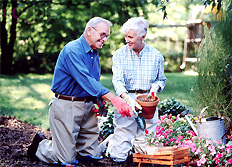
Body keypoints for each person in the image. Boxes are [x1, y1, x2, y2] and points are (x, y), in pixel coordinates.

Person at [27, 17, 133, 165]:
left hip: (87, 106)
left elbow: (94, 81)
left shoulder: (93, 53)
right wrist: (114, 99)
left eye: (107, 36)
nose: (105, 39)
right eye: (102, 34)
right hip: (67, 105)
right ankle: (40, 146)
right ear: (89, 30)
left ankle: (69, 147)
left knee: (90, 156)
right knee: (66, 160)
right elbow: (85, 80)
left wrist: (100, 101)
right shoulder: (72, 50)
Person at [101, 17, 167, 162]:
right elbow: (117, 81)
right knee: (119, 151)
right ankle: (112, 147)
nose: (126, 40)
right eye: (125, 36)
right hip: (127, 98)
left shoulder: (156, 56)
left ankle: (138, 157)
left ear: (143, 37)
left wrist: (155, 88)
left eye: (130, 37)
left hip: (147, 101)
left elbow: (161, 79)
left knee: (145, 146)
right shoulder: (119, 54)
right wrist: (127, 99)